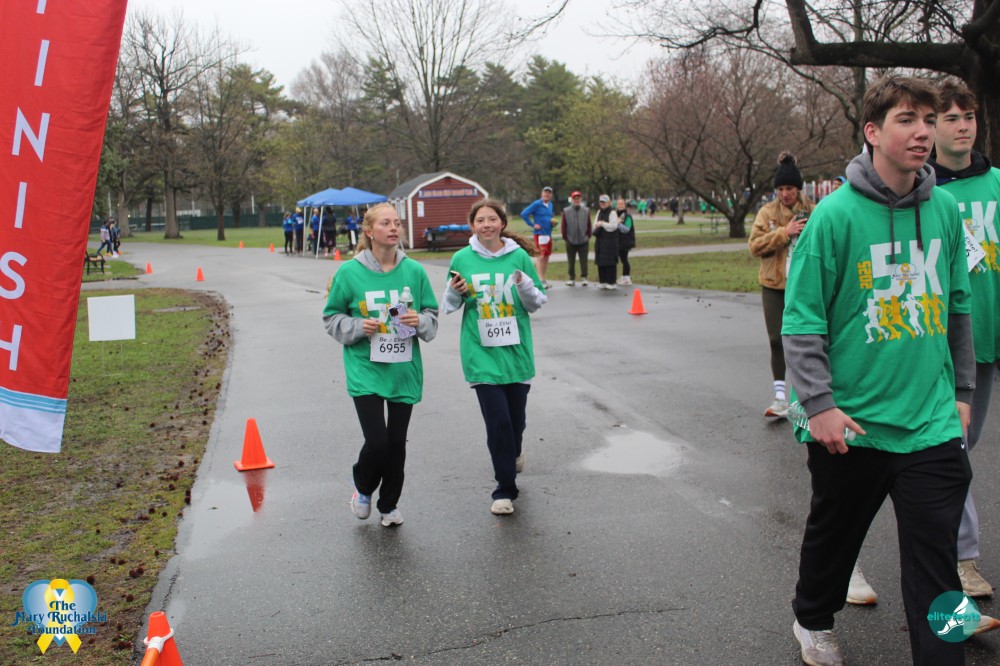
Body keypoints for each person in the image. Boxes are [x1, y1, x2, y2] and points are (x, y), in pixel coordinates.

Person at [783, 75, 979, 666]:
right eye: (907, 120)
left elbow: (959, 306)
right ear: (872, 131)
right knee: (835, 541)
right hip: (853, 424)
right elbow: (802, 320)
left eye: (929, 120)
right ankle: (812, 618)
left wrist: (962, 390)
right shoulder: (833, 217)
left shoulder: (944, 209)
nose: (923, 133)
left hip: (930, 422)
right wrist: (819, 405)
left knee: (937, 565)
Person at [322, 203, 439, 527]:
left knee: (396, 443)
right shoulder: (349, 273)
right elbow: (331, 317)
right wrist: (358, 326)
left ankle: (388, 505)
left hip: (403, 368)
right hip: (366, 367)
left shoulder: (414, 272)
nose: (393, 228)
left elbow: (431, 315)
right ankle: (363, 488)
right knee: (377, 442)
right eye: (385, 223)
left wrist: (419, 321)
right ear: (369, 231)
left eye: (397, 223)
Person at [929, 79, 1000, 599]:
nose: (962, 126)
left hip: (992, 341)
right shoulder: (924, 192)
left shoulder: (996, 183)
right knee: (955, 447)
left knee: (961, 447)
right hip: (951, 346)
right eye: (950, 117)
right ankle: (960, 558)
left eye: (968, 116)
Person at [442, 199, 547, 516]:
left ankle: (514, 452)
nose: (486, 225)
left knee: (516, 422)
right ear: (472, 225)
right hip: (481, 353)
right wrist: (456, 290)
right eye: (480, 220)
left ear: (502, 223)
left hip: (516, 353)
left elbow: (536, 302)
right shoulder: (462, 258)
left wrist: (523, 285)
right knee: (498, 422)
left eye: (492, 219)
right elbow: (449, 305)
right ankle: (504, 489)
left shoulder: (519, 257)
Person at [748, 152, 816, 418]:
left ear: (798, 188)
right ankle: (779, 398)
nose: (785, 194)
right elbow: (755, 246)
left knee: (808, 339)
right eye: (781, 189)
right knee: (777, 340)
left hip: (805, 285)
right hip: (774, 285)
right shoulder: (767, 213)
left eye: (790, 188)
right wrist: (783, 233)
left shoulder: (814, 211)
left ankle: (811, 397)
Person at [520, 186, 554, 288]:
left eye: (549, 193)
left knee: (546, 256)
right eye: (545, 192)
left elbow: (547, 217)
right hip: (540, 234)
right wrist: (532, 224)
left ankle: (543, 278)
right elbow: (524, 214)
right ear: (542, 193)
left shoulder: (550, 204)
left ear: (551, 195)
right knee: (541, 256)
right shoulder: (537, 204)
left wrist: (552, 223)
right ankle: (540, 280)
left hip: (548, 233)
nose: (547, 194)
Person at [560, 190, 591, 286]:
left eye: (578, 198)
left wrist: (588, 235)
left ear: (580, 199)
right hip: (570, 240)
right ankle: (571, 277)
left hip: (583, 239)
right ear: (572, 199)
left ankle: (584, 277)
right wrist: (565, 237)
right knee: (571, 260)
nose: (577, 200)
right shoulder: (566, 211)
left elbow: (589, 224)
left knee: (584, 260)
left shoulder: (586, 210)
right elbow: (564, 225)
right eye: (575, 198)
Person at [593, 195, 620, 289]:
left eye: (604, 202)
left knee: (610, 262)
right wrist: (598, 225)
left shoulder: (612, 212)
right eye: (601, 202)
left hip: (610, 241)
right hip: (600, 240)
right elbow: (595, 224)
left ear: (609, 203)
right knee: (601, 262)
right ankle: (602, 281)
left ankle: (611, 282)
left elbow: (613, 226)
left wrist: (602, 224)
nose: (602, 204)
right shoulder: (599, 212)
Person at [616, 198, 635, 286]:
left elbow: (627, 229)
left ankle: (627, 277)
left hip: (625, 241)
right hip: (618, 241)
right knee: (622, 259)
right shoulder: (616, 215)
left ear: (625, 205)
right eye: (619, 204)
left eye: (622, 204)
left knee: (624, 259)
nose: (620, 205)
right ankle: (623, 276)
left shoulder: (627, 216)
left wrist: (618, 224)